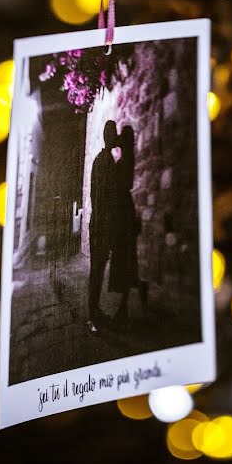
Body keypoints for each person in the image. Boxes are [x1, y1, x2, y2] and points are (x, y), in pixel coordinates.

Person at [88, 120, 118, 333]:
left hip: (100, 223)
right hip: (101, 224)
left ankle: (94, 312)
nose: (113, 137)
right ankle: (93, 315)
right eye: (112, 134)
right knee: (97, 271)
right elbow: (101, 197)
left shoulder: (102, 159)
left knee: (97, 270)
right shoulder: (105, 160)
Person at [109, 124, 139, 327]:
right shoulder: (127, 158)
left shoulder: (126, 160)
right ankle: (123, 306)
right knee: (126, 256)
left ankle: (123, 308)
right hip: (124, 208)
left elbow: (115, 142)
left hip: (123, 210)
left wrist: (115, 139)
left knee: (125, 257)